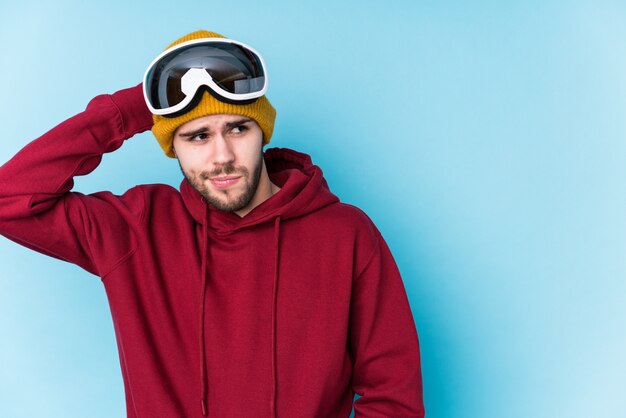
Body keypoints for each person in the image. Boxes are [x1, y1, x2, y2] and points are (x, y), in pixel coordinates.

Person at [0, 29, 424, 417]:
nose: (221, 156)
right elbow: (10, 199)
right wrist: (134, 108)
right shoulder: (135, 229)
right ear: (173, 146)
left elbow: (394, 395)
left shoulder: (345, 234)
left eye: (237, 128)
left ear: (263, 132)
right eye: (197, 135)